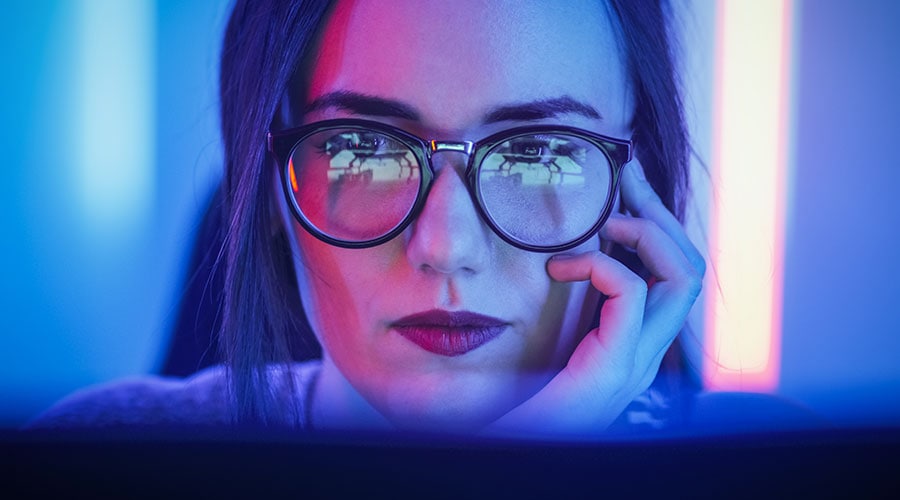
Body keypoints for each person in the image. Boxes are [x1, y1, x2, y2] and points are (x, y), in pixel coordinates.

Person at [29, 0, 707, 439]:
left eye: (536, 154)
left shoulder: (769, 469)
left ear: (629, 190)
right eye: (365, 150)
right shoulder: (90, 455)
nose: (445, 246)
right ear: (268, 188)